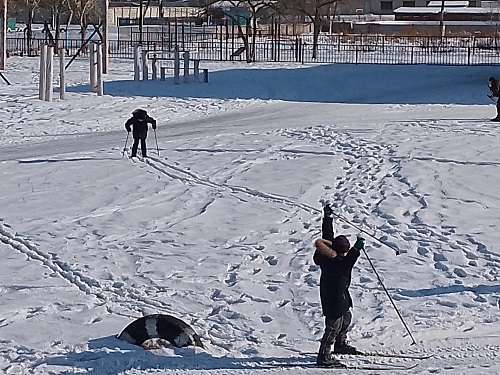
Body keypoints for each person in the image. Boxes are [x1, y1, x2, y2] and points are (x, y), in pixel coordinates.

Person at [313, 203, 365, 367]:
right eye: (345, 251)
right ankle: (324, 356)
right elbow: (348, 262)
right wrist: (357, 249)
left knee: (346, 319)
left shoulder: (331, 251)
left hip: (342, 296)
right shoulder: (335, 263)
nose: (345, 253)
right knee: (332, 328)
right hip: (333, 300)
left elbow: (327, 234)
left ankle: (340, 345)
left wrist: (327, 217)